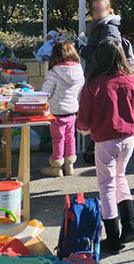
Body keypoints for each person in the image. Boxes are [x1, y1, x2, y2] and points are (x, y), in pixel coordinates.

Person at [77, 39, 134, 254]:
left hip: (105, 139)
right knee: (120, 177)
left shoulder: (93, 84)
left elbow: (83, 119)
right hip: (129, 137)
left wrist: (84, 128)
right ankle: (129, 227)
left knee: (107, 185)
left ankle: (112, 237)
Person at [40, 41, 85, 177]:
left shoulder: (54, 72)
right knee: (70, 138)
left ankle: (56, 166)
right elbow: (81, 91)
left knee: (57, 139)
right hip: (72, 110)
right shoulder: (79, 70)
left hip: (56, 112)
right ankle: (69, 165)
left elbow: (46, 93)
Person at [79, 0, 122, 76]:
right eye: (94, 9)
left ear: (108, 10)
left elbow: (106, 56)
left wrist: (83, 50)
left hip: (103, 76)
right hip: (94, 74)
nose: (96, 12)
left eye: (100, 9)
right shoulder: (95, 26)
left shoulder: (109, 28)